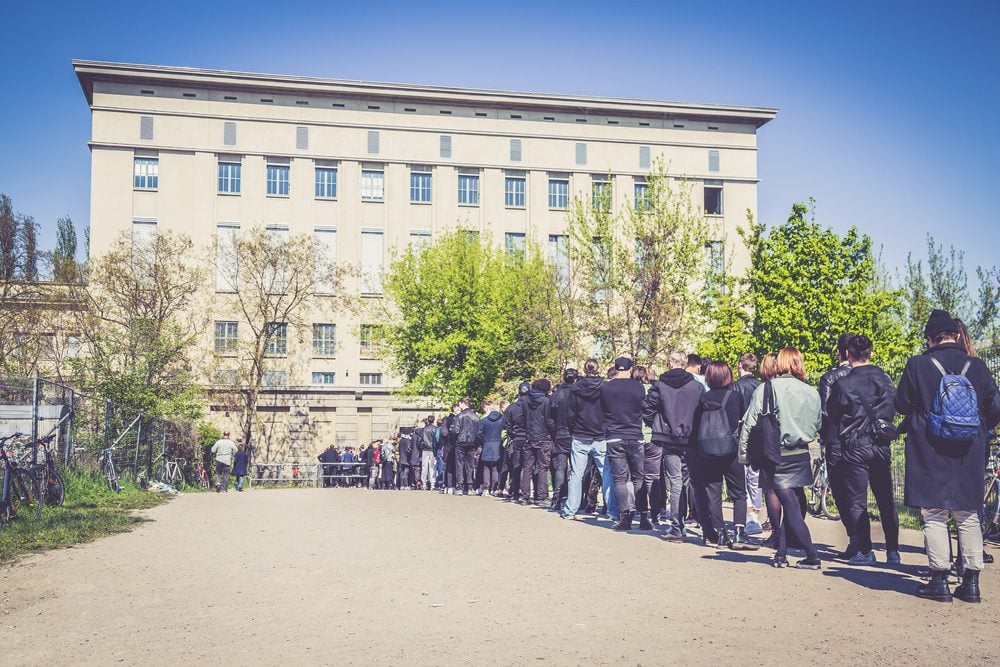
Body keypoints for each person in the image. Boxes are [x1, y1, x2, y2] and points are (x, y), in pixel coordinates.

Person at [896, 309, 1000, 603]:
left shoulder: (918, 364)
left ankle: (938, 580)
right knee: (968, 515)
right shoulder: (977, 366)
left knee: (935, 514)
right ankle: (971, 583)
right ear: (955, 335)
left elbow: (901, 403)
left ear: (930, 338)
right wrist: (976, 430)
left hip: (929, 448)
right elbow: (994, 409)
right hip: (969, 449)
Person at [739, 347, 823, 570]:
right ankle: (781, 552)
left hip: (775, 453)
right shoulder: (811, 391)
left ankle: (811, 555)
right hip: (801, 452)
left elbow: (749, 423)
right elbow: (818, 424)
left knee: (786, 504)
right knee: (794, 500)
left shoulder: (767, 388)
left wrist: (743, 455)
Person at [824, 334, 900, 565]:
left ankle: (865, 552)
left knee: (857, 502)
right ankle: (893, 552)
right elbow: (894, 406)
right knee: (886, 500)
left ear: (848, 354)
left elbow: (832, 413)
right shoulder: (883, 378)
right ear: (871, 353)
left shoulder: (842, 383)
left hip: (855, 447)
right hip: (880, 444)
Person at [690, 361, 757, 549]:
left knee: (713, 493)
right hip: (731, 451)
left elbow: (696, 426)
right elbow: (741, 422)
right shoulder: (735, 396)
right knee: (739, 493)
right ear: (728, 376)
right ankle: (739, 532)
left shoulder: (703, 398)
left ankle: (720, 534)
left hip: (708, 452)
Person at [643, 351, 704, 538]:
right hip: (691, 437)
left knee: (675, 481)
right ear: (685, 364)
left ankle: (678, 526)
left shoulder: (660, 385)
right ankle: (703, 524)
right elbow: (702, 410)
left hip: (668, 438)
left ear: (670, 363)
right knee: (693, 481)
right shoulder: (696, 386)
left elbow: (647, 407)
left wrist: (657, 424)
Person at [819, 333, 856, 556]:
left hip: (836, 438)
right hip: (863, 439)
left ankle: (854, 537)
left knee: (840, 490)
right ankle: (889, 548)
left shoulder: (829, 378)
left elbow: (824, 411)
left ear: (839, 352)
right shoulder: (871, 375)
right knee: (861, 490)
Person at [562, 359, 614, 519]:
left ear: (584, 370)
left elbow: (570, 414)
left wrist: (573, 429)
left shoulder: (575, 389)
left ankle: (570, 510)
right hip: (600, 435)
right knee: (606, 473)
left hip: (580, 434)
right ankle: (613, 511)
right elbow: (609, 410)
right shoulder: (605, 388)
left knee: (576, 474)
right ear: (598, 369)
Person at [602, 356, 647, 531]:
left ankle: (624, 517)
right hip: (635, 434)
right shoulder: (638, 387)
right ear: (630, 369)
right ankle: (643, 516)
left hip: (614, 435)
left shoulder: (606, 388)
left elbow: (603, 410)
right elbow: (642, 408)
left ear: (616, 368)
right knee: (638, 478)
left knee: (620, 479)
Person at [733, 353, 763, 534]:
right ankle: (755, 515)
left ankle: (747, 513)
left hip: (741, 434)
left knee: (742, 476)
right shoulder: (761, 387)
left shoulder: (736, 387)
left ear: (740, 365)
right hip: (759, 434)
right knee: (756, 477)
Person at [521, 379, 556, 504]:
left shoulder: (525, 401)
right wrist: (552, 432)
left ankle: (525, 496)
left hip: (529, 436)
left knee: (527, 467)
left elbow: (523, 418)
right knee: (542, 468)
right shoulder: (546, 401)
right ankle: (541, 496)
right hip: (543, 437)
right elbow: (549, 420)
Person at [549, 369, 577, 510]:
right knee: (577, 469)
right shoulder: (577, 392)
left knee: (561, 467)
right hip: (575, 434)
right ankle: (576, 499)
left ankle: (557, 498)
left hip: (560, 433)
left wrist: (555, 430)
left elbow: (549, 417)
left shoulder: (556, 395)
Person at [503, 383, 530, 501]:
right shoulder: (532, 406)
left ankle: (514, 490)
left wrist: (512, 434)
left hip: (517, 438)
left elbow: (505, 424)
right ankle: (526, 492)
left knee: (516, 465)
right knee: (528, 466)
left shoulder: (511, 408)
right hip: (529, 437)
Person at [449, 397, 481, 495]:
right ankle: (470, 486)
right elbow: (479, 432)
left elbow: (455, 431)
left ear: (463, 403)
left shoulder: (459, 416)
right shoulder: (475, 417)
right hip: (472, 443)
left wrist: (455, 440)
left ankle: (460, 486)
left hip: (460, 442)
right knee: (470, 464)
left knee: (459, 464)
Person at [477, 399, 504, 495]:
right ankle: (494, 488)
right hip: (498, 445)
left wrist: (483, 441)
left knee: (486, 467)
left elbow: (479, 434)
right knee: (496, 468)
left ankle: (486, 488)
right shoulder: (502, 420)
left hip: (487, 444)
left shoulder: (484, 421)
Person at [419, 415, 437, 491]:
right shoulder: (435, 429)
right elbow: (436, 440)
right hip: (432, 449)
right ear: (433, 420)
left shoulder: (424, 429)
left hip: (425, 449)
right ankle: (432, 484)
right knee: (432, 467)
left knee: (424, 467)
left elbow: (420, 440)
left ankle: (424, 483)